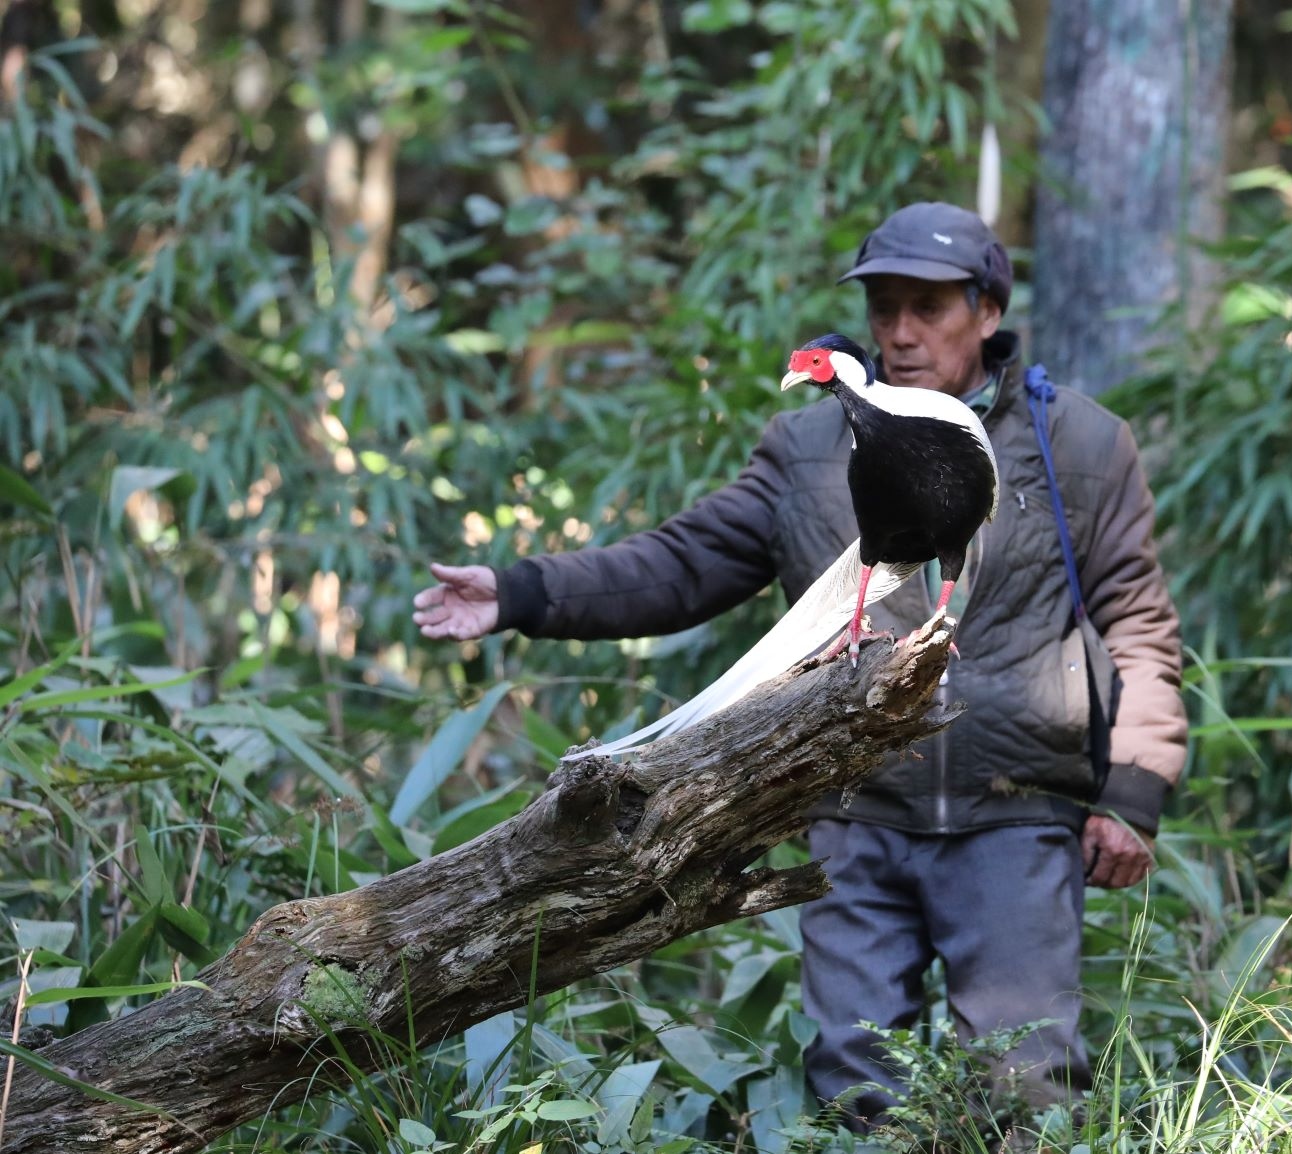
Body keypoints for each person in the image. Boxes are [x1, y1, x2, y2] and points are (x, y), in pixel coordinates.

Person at [412, 202, 1188, 1134]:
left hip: (1017, 817)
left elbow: (1138, 626)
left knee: (1026, 1090)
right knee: (858, 1089)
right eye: (884, 309)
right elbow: (682, 564)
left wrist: (1133, 790)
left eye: (929, 308)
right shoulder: (811, 445)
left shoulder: (1084, 446)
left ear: (987, 312)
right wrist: (519, 593)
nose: (900, 333)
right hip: (852, 814)